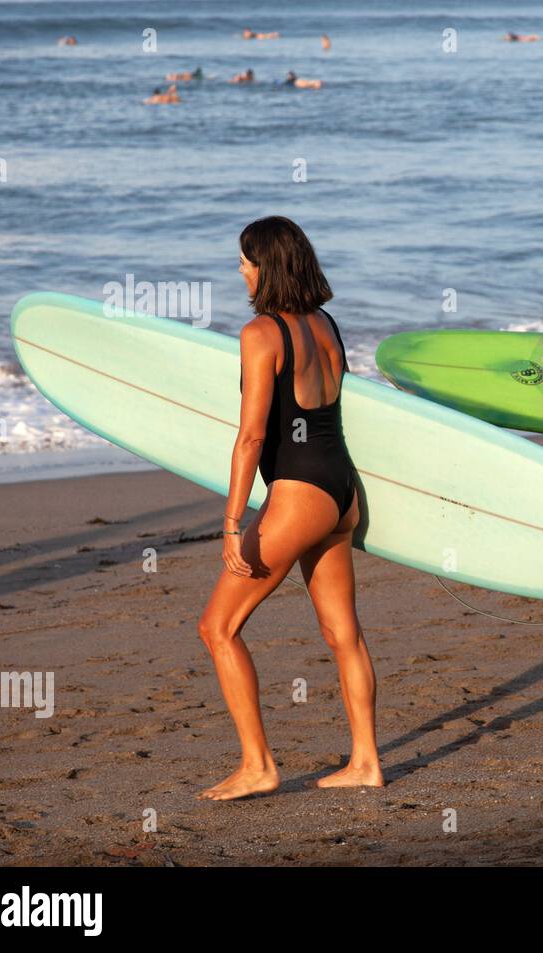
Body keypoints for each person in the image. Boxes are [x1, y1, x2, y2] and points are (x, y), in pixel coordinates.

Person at [197, 216, 379, 800]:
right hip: (342, 490)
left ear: (266, 266)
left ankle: (258, 765)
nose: (240, 271)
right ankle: (367, 763)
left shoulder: (262, 333)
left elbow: (251, 438)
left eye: (245, 261)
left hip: (299, 495)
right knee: (342, 632)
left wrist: (231, 525)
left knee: (217, 627)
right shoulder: (326, 323)